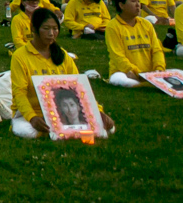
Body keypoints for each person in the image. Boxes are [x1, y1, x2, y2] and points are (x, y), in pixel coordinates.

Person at [10, 7, 115, 139]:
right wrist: (32, 117)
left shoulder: (63, 55)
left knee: (108, 129)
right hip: (33, 112)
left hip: (61, 112)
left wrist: (98, 111)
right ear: (34, 29)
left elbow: (80, 88)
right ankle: (55, 129)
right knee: (28, 132)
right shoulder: (20, 56)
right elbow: (19, 93)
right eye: (46, 28)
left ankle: (58, 129)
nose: (51, 33)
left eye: (55, 29)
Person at [106, 0, 165, 87]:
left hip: (149, 74)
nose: (138, 5)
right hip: (126, 72)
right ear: (121, 5)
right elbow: (118, 56)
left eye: (138, 1)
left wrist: (159, 68)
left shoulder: (146, 24)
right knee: (119, 78)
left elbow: (157, 50)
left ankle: (149, 82)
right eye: (133, 1)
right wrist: (136, 72)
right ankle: (144, 84)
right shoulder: (113, 26)